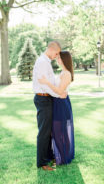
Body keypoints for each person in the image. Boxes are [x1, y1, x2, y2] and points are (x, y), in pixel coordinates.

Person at [33, 41, 67, 171]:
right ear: (52, 49)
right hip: (43, 98)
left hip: (48, 98)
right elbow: (44, 85)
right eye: (57, 53)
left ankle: (49, 156)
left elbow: (50, 82)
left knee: (49, 131)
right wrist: (58, 94)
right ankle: (42, 163)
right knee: (44, 132)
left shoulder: (46, 62)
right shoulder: (42, 62)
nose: (57, 56)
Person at [38, 51, 75, 166]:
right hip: (57, 102)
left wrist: (46, 83)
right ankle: (63, 155)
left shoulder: (67, 74)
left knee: (60, 132)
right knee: (57, 132)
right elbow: (59, 91)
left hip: (61, 105)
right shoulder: (62, 72)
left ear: (65, 60)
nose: (57, 60)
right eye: (57, 58)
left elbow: (59, 91)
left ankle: (64, 157)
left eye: (59, 58)